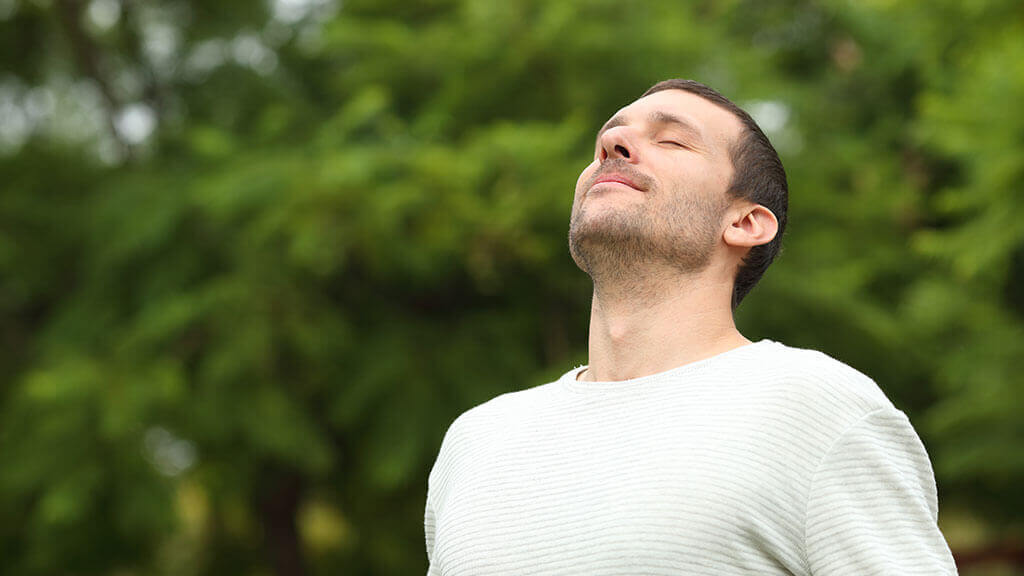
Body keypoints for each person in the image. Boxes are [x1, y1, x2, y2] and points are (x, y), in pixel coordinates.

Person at [423, 79, 957, 575]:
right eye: (609, 138)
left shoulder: (817, 408)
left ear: (745, 223)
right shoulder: (477, 441)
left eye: (672, 140)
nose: (612, 145)